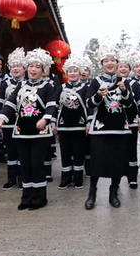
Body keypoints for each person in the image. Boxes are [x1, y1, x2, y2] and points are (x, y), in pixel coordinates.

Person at [0, 48, 57, 210]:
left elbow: (52, 105)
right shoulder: (21, 85)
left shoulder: (48, 86)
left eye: (37, 66)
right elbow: (9, 104)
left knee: (36, 164)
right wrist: (2, 117)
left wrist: (45, 118)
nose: (33, 69)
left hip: (41, 132)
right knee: (25, 165)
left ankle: (39, 198)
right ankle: (26, 197)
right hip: (21, 131)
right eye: (31, 66)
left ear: (43, 70)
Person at [84, 39, 133, 210]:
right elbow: (89, 103)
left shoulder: (124, 81)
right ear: (102, 64)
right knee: (97, 163)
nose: (110, 63)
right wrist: (98, 95)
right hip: (100, 129)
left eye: (113, 60)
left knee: (117, 163)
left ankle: (113, 194)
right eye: (106, 60)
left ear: (118, 63)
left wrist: (125, 90)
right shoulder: (96, 81)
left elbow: (129, 104)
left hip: (120, 128)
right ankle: (92, 195)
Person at [54, 53, 89, 190]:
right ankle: (66, 178)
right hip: (64, 126)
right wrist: (52, 121)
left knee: (79, 152)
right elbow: (55, 105)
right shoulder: (61, 88)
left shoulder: (85, 88)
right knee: (65, 152)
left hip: (80, 126)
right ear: (66, 72)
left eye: (76, 71)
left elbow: (89, 107)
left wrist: (89, 122)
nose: (73, 73)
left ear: (80, 73)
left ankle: (78, 178)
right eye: (70, 71)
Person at [0, 48, 26, 190]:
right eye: (13, 66)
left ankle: (22, 178)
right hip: (8, 123)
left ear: (24, 67)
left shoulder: (29, 83)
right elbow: (0, 103)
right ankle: (11, 178)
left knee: (22, 151)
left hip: (24, 123)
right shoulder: (5, 83)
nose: (15, 68)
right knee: (11, 151)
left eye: (18, 65)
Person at [116, 51, 140, 189]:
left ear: (130, 69)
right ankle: (116, 177)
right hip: (115, 122)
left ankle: (132, 177)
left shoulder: (135, 84)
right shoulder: (110, 82)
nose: (123, 69)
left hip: (132, 121)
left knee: (131, 149)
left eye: (125, 66)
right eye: (120, 66)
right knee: (117, 151)